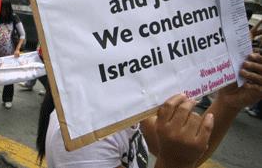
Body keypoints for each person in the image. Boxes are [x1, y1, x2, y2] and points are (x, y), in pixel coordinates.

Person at [37, 53, 262, 168]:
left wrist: (228, 102)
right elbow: (178, 158)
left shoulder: (129, 101)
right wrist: (174, 163)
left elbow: (189, 152)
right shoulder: (83, 134)